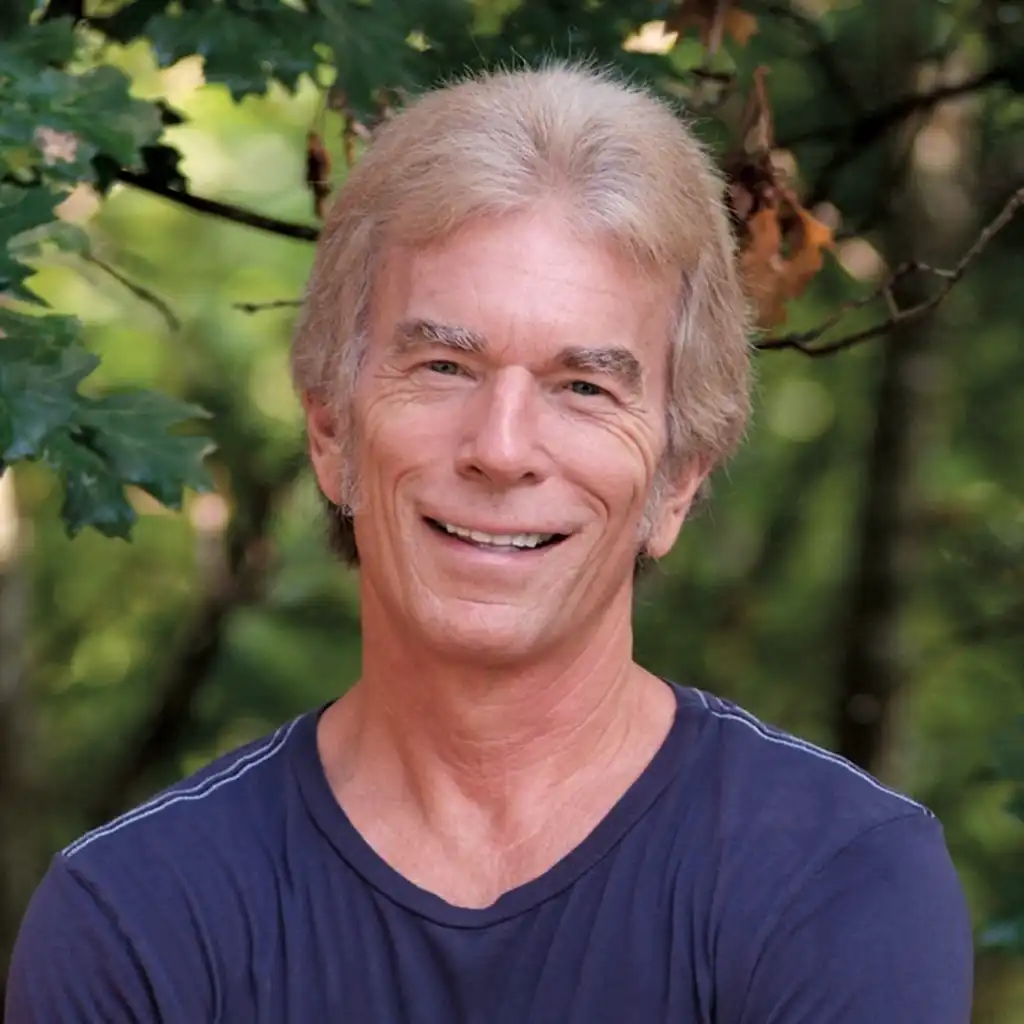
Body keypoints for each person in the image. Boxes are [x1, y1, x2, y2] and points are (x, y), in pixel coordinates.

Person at [6, 61, 973, 1023]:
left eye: (584, 387)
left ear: (677, 479)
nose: (502, 449)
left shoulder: (835, 878)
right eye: (443, 365)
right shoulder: (136, 914)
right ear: (332, 434)